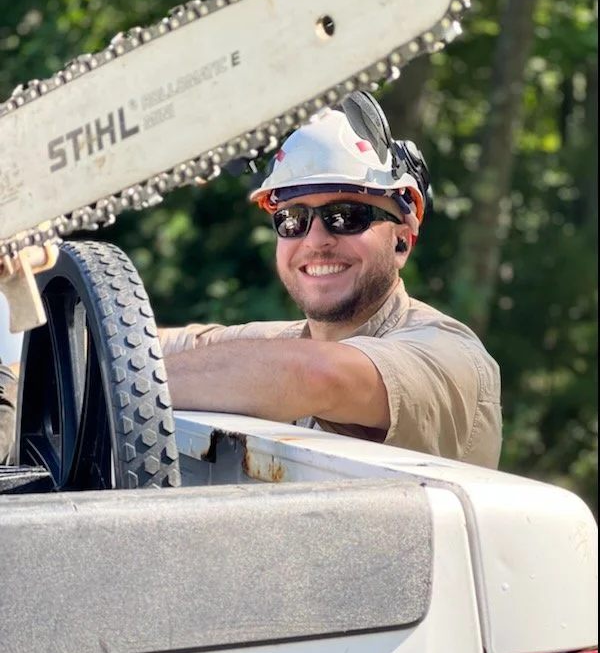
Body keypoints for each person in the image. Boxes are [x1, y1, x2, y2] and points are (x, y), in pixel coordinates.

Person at [161, 107, 502, 468]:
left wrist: (134, 383)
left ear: (402, 242)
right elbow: (131, 343)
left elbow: (313, 376)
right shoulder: (282, 346)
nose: (316, 240)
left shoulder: (449, 353)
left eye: (346, 216)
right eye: (293, 220)